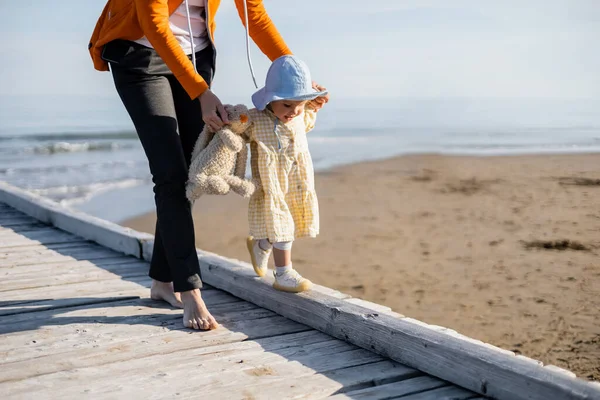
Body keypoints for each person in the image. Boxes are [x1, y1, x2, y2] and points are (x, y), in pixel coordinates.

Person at [88, 0, 325, 330]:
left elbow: (254, 17)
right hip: (139, 57)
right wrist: (200, 92)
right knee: (169, 174)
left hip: (196, 58)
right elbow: (153, 23)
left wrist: (294, 81)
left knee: (186, 173)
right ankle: (190, 290)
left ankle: (162, 280)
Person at [246, 55, 329, 292]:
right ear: (271, 100)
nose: (293, 112)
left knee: (287, 223)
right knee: (282, 223)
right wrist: (232, 118)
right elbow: (236, 128)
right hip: (273, 182)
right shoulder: (257, 118)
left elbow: (310, 115)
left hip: (298, 181)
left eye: (299, 105)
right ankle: (283, 273)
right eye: (287, 105)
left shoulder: (302, 116)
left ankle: (261, 245)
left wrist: (315, 101)